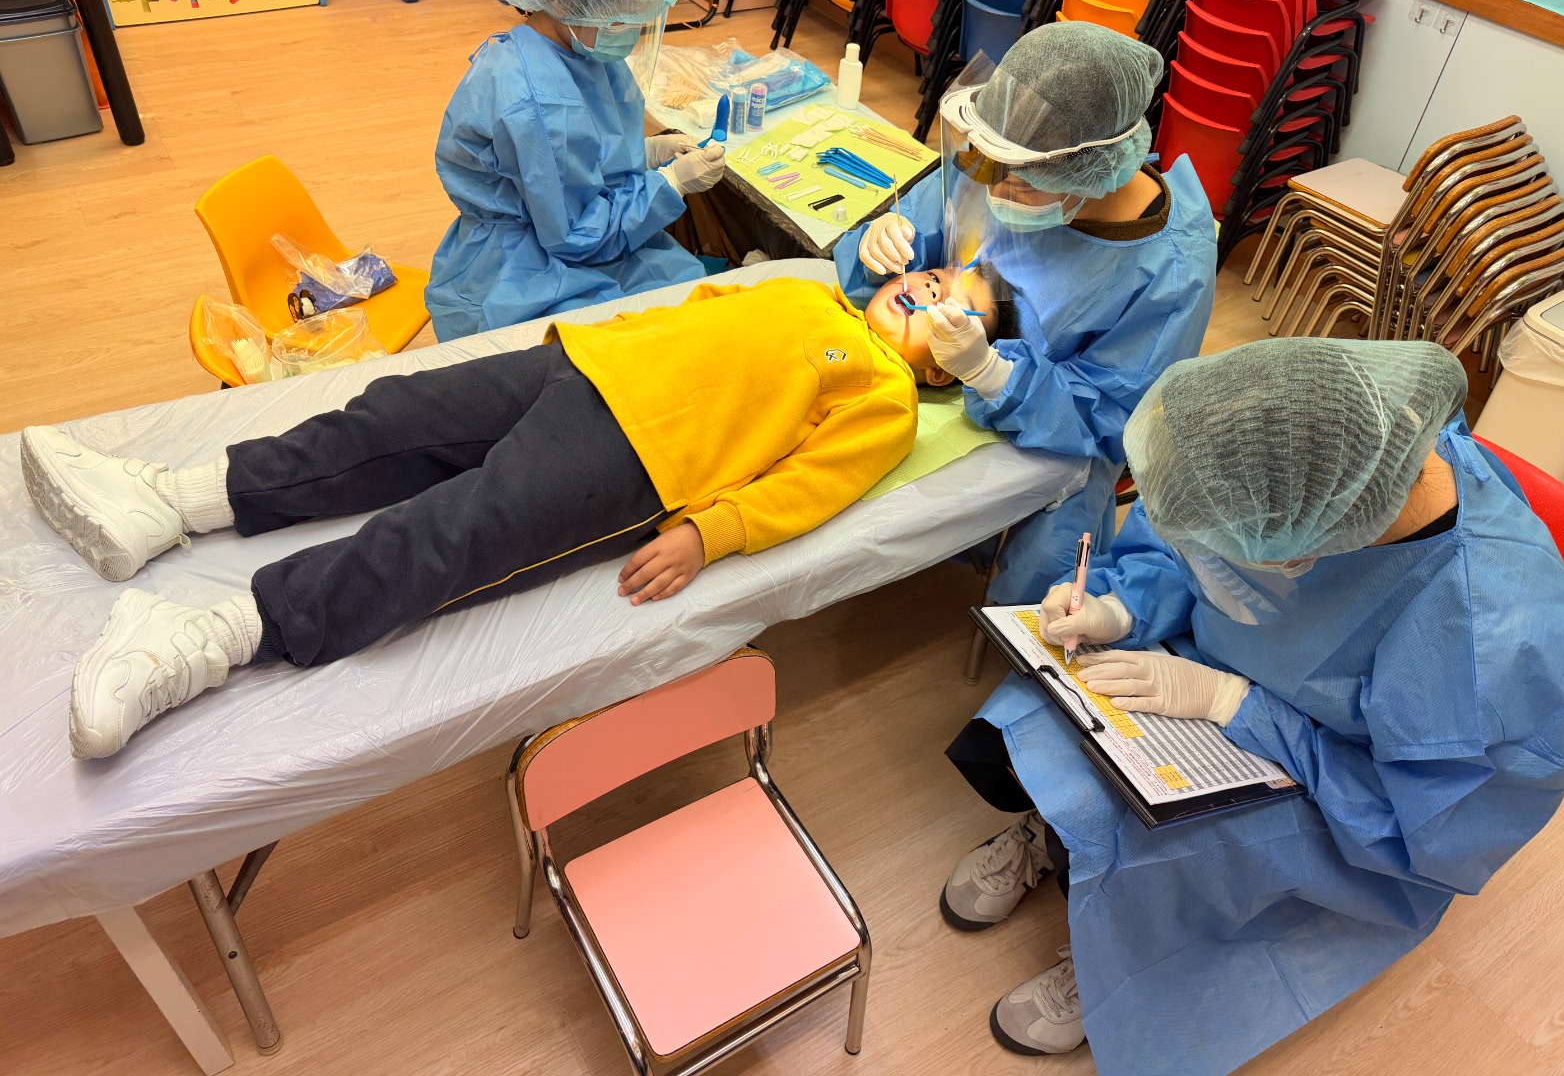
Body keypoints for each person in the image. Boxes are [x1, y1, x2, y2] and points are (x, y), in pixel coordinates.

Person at [939, 338, 1564, 1073]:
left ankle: (1118, 971)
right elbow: (1188, 537)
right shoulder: (1310, 431)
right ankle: (1057, 833)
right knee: (1067, 702)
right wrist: (1121, 607)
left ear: (1298, 546)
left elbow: (1428, 835)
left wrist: (1241, 708)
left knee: (1188, 848)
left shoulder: (1504, 646)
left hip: (1339, 787)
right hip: (1226, 659)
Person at [23, 269, 1003, 760]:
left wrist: (712, 532)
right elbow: (688, 312)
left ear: (950, 366)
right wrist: (583, 344)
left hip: (640, 463)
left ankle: (210, 635)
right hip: (578, 364)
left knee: (458, 532)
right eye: (931, 276)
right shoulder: (807, 291)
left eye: (957, 311)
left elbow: (815, 485)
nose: (928, 292)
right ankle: (172, 501)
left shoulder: (886, 395)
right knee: (390, 417)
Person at [835, 21, 1216, 605]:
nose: (996, 191)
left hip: (1060, 434)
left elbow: (1107, 415)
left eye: (1023, 184)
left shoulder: (1167, 273)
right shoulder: (1000, 156)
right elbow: (924, 228)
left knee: (1045, 579)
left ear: (1092, 169)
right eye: (993, 167)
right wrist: (878, 245)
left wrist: (993, 375)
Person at [426, 0, 726, 342]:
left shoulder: (571, 46)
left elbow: (581, 151)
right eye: (622, 21)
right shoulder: (537, 100)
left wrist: (646, 153)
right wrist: (670, 184)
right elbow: (575, 236)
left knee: (689, 297)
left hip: (573, 222)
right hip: (532, 261)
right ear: (564, 1)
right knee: (647, 336)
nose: (631, 35)